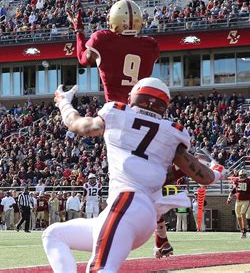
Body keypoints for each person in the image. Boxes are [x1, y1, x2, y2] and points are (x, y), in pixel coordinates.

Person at [42, 78, 226, 272]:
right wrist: (218, 172)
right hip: (140, 214)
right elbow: (203, 178)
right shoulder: (171, 132)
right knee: (53, 234)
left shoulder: (117, 114)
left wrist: (63, 101)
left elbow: (79, 125)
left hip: (126, 204)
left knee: (100, 269)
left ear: (134, 97)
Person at [68, 0, 176, 257]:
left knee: (124, 177)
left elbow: (83, 59)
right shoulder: (150, 45)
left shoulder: (102, 39)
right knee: (147, 175)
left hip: (118, 116)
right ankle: (161, 237)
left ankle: (115, 236)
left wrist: (78, 32)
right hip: (148, 115)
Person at [227, 170, 250, 238]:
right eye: (241, 175)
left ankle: (245, 230)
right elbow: (233, 190)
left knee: (243, 214)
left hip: (246, 200)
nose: (242, 177)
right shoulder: (237, 181)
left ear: (246, 175)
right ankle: (242, 230)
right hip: (238, 201)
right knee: (238, 217)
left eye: (243, 175)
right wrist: (229, 198)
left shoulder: (249, 181)